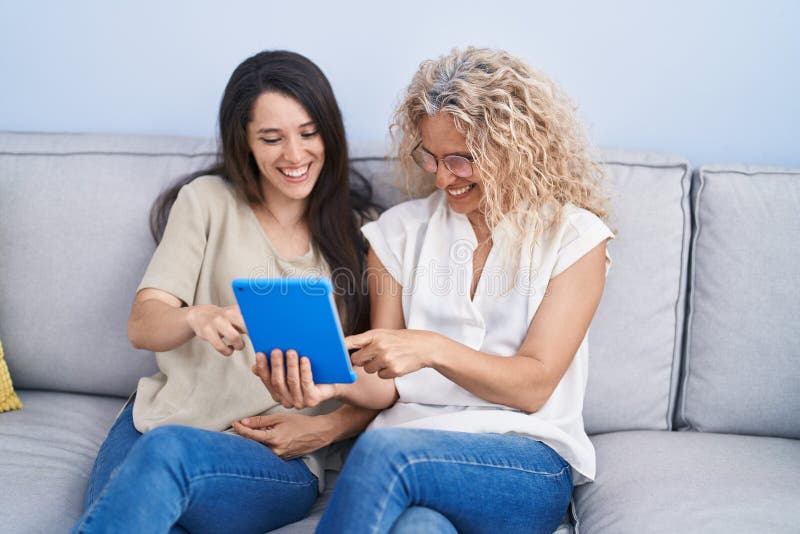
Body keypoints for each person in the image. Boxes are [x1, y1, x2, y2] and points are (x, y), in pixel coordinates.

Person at [254, 47, 614, 534]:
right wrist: (330, 380)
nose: (442, 178)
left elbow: (533, 387)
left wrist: (430, 348)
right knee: (418, 527)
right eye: (431, 157)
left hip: (522, 460)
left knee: (383, 451)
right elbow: (384, 385)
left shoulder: (573, 237)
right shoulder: (398, 232)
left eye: (461, 160)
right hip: (410, 452)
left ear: (511, 148)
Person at [72, 50, 381, 534]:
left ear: (329, 133)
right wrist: (195, 316)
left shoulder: (366, 235)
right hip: (161, 424)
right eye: (272, 138)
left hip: (271, 455)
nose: (294, 155)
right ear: (245, 142)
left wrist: (326, 428)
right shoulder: (206, 202)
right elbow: (142, 325)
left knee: (165, 456)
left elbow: (384, 384)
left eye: (308, 133)